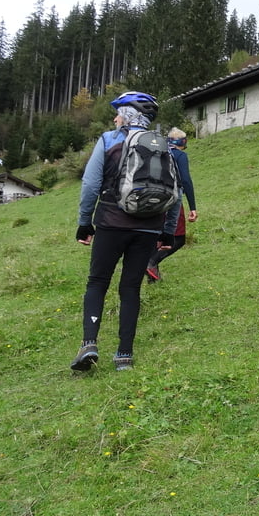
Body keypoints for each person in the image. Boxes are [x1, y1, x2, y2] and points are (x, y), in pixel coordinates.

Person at [71, 91, 173, 372]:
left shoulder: (109, 139)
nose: (114, 118)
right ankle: (124, 356)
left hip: (111, 223)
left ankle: (89, 344)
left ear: (127, 114)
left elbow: (90, 185)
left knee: (97, 283)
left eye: (117, 112)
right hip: (149, 227)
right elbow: (173, 191)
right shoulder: (161, 145)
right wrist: (166, 231)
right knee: (130, 288)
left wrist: (84, 222)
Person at [146, 128, 198, 282]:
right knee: (178, 238)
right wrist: (193, 207)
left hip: (150, 199)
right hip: (171, 199)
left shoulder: (155, 153)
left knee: (156, 237)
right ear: (182, 142)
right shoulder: (179, 155)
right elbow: (186, 180)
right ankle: (151, 263)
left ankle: (153, 277)